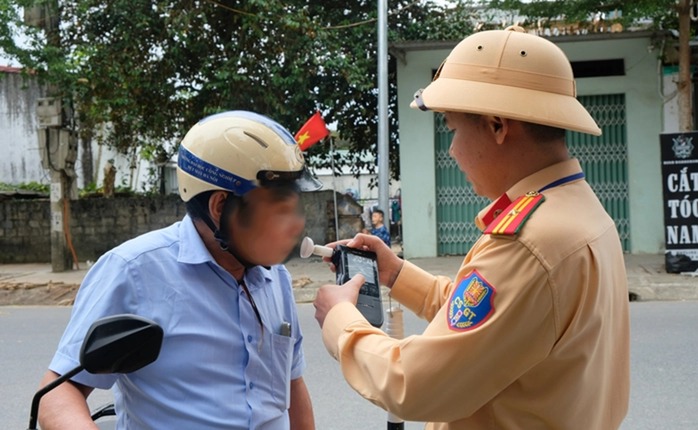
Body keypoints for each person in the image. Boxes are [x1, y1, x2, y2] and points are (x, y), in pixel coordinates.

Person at [313, 26, 629, 429]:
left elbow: (415, 384)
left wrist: (340, 320)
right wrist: (395, 273)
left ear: (497, 125)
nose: (451, 149)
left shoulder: (530, 242)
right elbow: (485, 319)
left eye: (452, 128)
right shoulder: (581, 211)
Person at [38, 111, 318, 429]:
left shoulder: (275, 277)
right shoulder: (132, 271)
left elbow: (292, 384)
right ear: (220, 207)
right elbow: (59, 391)